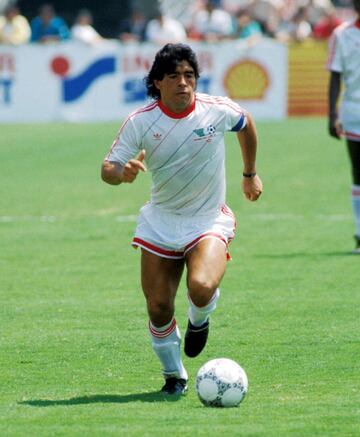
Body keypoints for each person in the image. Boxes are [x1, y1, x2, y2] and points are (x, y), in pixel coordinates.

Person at [101, 43, 263, 395]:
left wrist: (249, 174)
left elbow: (245, 123)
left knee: (202, 287)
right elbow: (108, 168)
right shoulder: (141, 121)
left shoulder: (214, 110)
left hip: (207, 219)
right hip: (161, 221)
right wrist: (121, 173)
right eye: (173, 76)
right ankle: (174, 376)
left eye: (189, 75)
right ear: (157, 82)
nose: (183, 82)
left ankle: (199, 320)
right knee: (158, 306)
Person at [327, 0, 360, 254]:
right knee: (358, 174)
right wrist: (332, 114)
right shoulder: (341, 35)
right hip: (354, 112)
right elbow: (335, 75)